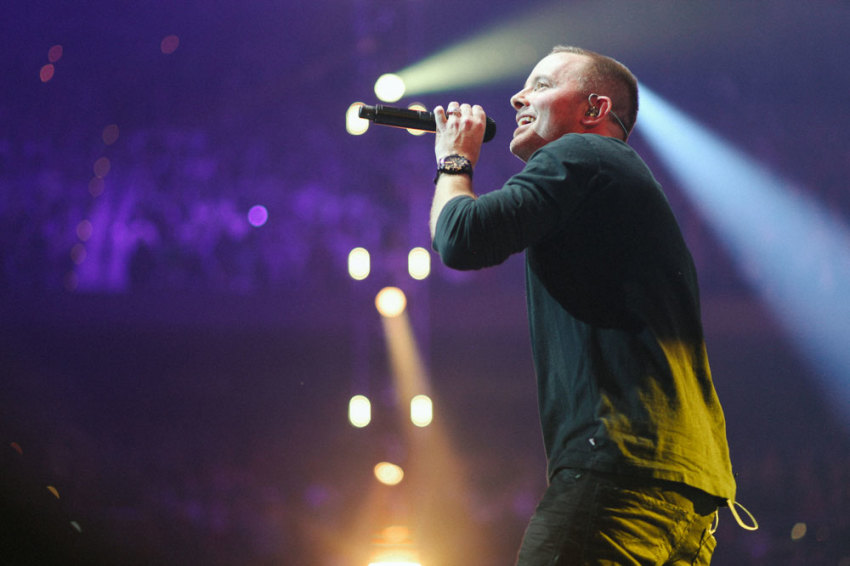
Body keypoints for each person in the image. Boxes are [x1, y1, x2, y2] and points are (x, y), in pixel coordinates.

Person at [429, 45, 750, 565]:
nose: (517, 97)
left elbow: (461, 237)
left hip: (619, 470)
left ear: (594, 110)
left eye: (540, 85)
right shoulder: (622, 184)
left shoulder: (581, 153)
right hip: (689, 490)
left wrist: (455, 159)